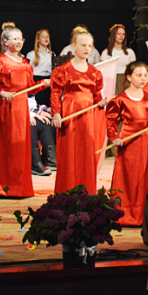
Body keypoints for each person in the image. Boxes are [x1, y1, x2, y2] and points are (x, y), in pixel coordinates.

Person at [106, 61, 148, 226]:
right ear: (129, 77)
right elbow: (111, 122)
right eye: (139, 75)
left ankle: (141, 214)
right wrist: (114, 136)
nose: (143, 78)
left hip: (144, 144)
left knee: (142, 178)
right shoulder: (120, 100)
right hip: (127, 144)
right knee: (127, 177)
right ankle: (123, 213)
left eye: (145, 75)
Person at [0, 26, 45, 196]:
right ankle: (0, 185)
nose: (18, 42)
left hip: (20, 108)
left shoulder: (25, 64)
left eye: (20, 39)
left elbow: (29, 87)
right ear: (5, 42)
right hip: (4, 108)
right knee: (4, 145)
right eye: (14, 39)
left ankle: (18, 186)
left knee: (19, 147)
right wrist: (1, 92)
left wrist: (42, 84)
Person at [51, 31, 106, 194]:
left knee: (86, 152)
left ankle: (87, 192)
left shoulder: (95, 73)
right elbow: (55, 93)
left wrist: (101, 103)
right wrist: (56, 113)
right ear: (74, 46)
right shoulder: (63, 70)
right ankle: (66, 192)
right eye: (83, 45)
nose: (87, 48)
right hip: (70, 113)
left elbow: (97, 97)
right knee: (69, 152)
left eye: (90, 46)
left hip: (88, 118)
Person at [101, 24, 137, 95]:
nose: (121, 36)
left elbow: (133, 69)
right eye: (119, 34)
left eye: (123, 34)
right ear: (113, 35)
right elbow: (102, 70)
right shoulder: (106, 52)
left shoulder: (129, 52)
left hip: (126, 80)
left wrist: (129, 80)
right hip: (111, 80)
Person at [29, 95, 55, 176]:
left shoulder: (29, 93)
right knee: (31, 125)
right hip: (20, 115)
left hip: (32, 113)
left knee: (45, 122)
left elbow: (33, 105)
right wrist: (29, 115)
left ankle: (49, 160)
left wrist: (42, 110)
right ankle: (35, 164)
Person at [26, 29, 53, 107]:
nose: (46, 38)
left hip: (48, 81)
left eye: (48, 36)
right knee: (38, 104)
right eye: (43, 36)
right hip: (36, 81)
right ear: (38, 39)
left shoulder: (52, 54)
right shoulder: (31, 54)